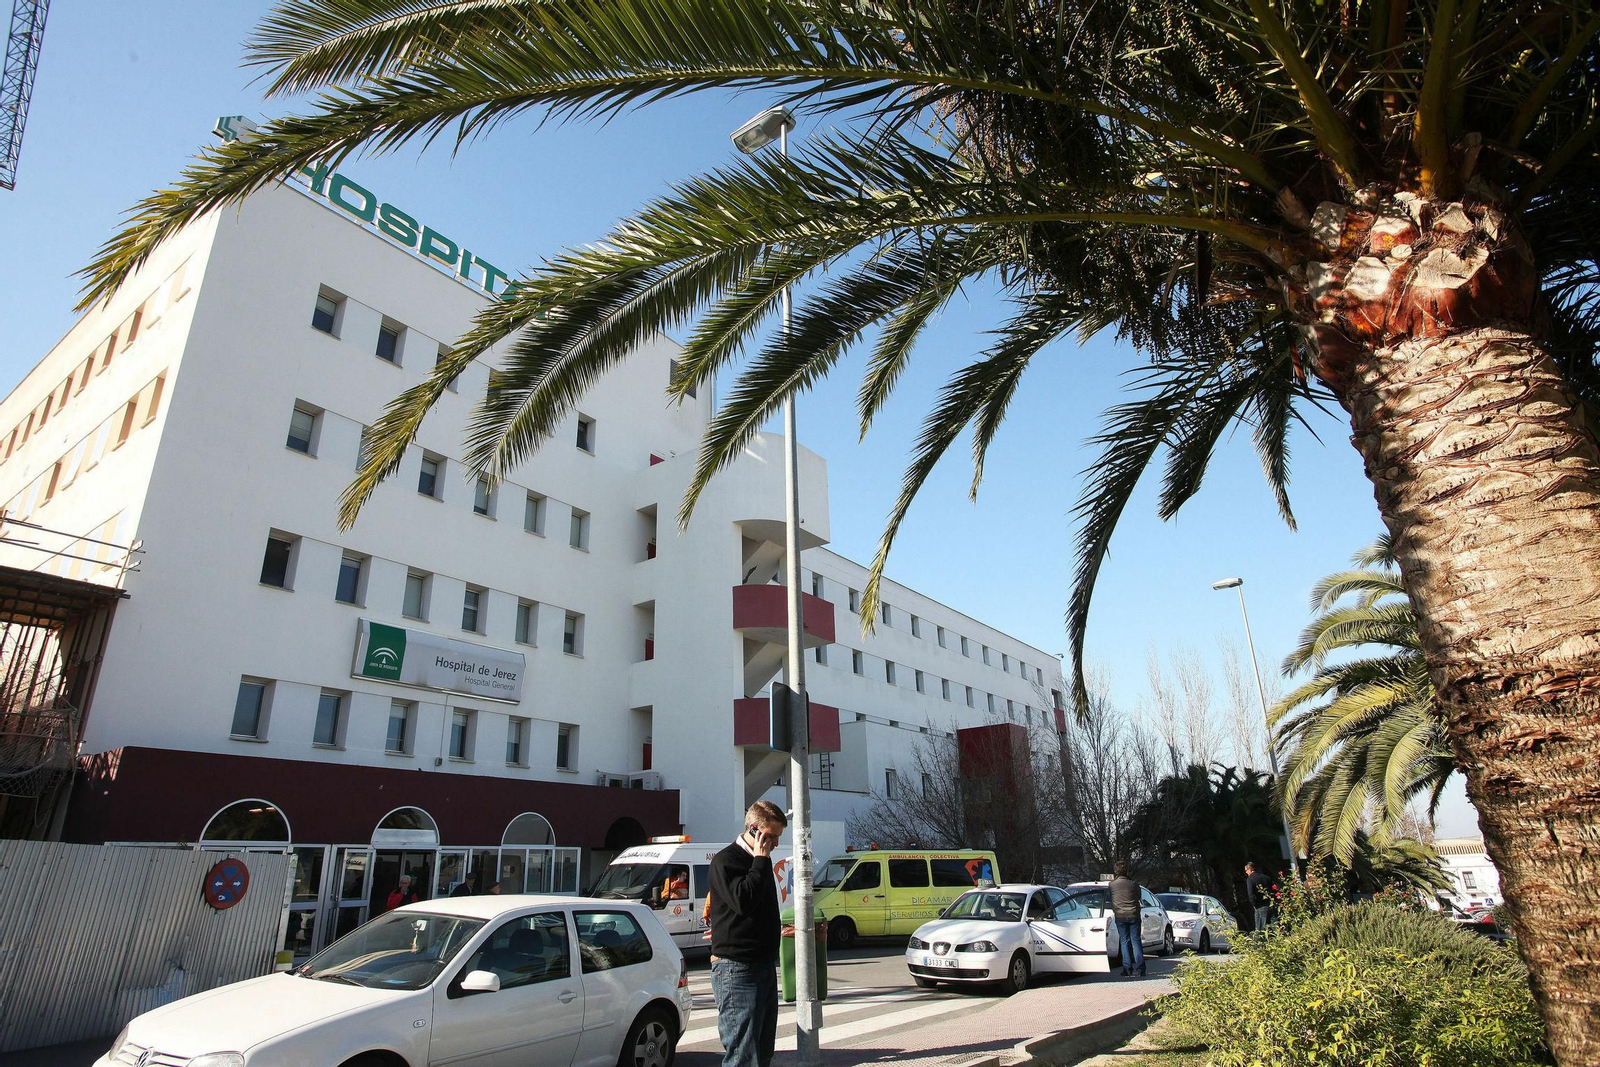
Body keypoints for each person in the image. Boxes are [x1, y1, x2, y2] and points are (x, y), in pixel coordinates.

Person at [708, 800, 788, 1067]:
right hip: (737, 969)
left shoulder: (760, 863)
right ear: (754, 830)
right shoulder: (726, 860)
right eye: (772, 837)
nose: (775, 844)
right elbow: (743, 900)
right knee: (743, 1055)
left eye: (777, 838)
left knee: (763, 1053)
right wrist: (760, 859)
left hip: (763, 965)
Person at [1108, 860, 1145, 977]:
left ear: (1116, 871)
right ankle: (1140, 969)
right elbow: (1139, 896)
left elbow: (1111, 897)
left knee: (1124, 942)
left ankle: (1127, 969)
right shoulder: (1133, 884)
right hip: (1133, 914)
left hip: (1120, 915)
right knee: (1136, 941)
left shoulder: (1112, 884)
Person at [1245, 862, 1272, 932]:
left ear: (1250, 869)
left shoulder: (1250, 879)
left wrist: (1254, 904)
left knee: (1260, 928)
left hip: (1260, 905)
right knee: (1273, 926)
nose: (1246, 872)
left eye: (1246, 870)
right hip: (1270, 904)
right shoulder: (1266, 877)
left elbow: (1251, 894)